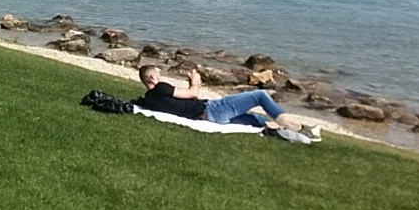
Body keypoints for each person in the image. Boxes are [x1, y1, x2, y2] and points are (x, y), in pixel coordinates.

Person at [137, 65, 320, 140]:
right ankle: (292, 124)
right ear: (153, 77)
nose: (161, 76)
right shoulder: (160, 88)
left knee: (258, 121)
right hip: (213, 110)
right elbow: (193, 93)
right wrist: (195, 80)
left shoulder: (149, 99)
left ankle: (300, 132)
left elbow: (182, 103)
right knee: (260, 95)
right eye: (158, 74)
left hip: (208, 119)